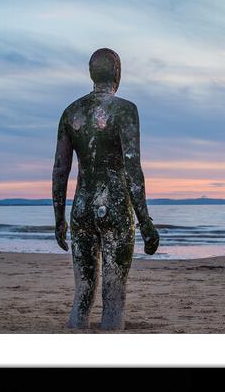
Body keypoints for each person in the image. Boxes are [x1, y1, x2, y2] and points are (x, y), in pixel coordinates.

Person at [52, 48, 159, 331]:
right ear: (118, 73)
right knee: (113, 296)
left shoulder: (71, 112)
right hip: (114, 205)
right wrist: (145, 221)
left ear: (91, 73)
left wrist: (59, 219)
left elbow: (60, 170)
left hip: (82, 207)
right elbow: (133, 168)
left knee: (82, 294)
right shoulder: (125, 110)